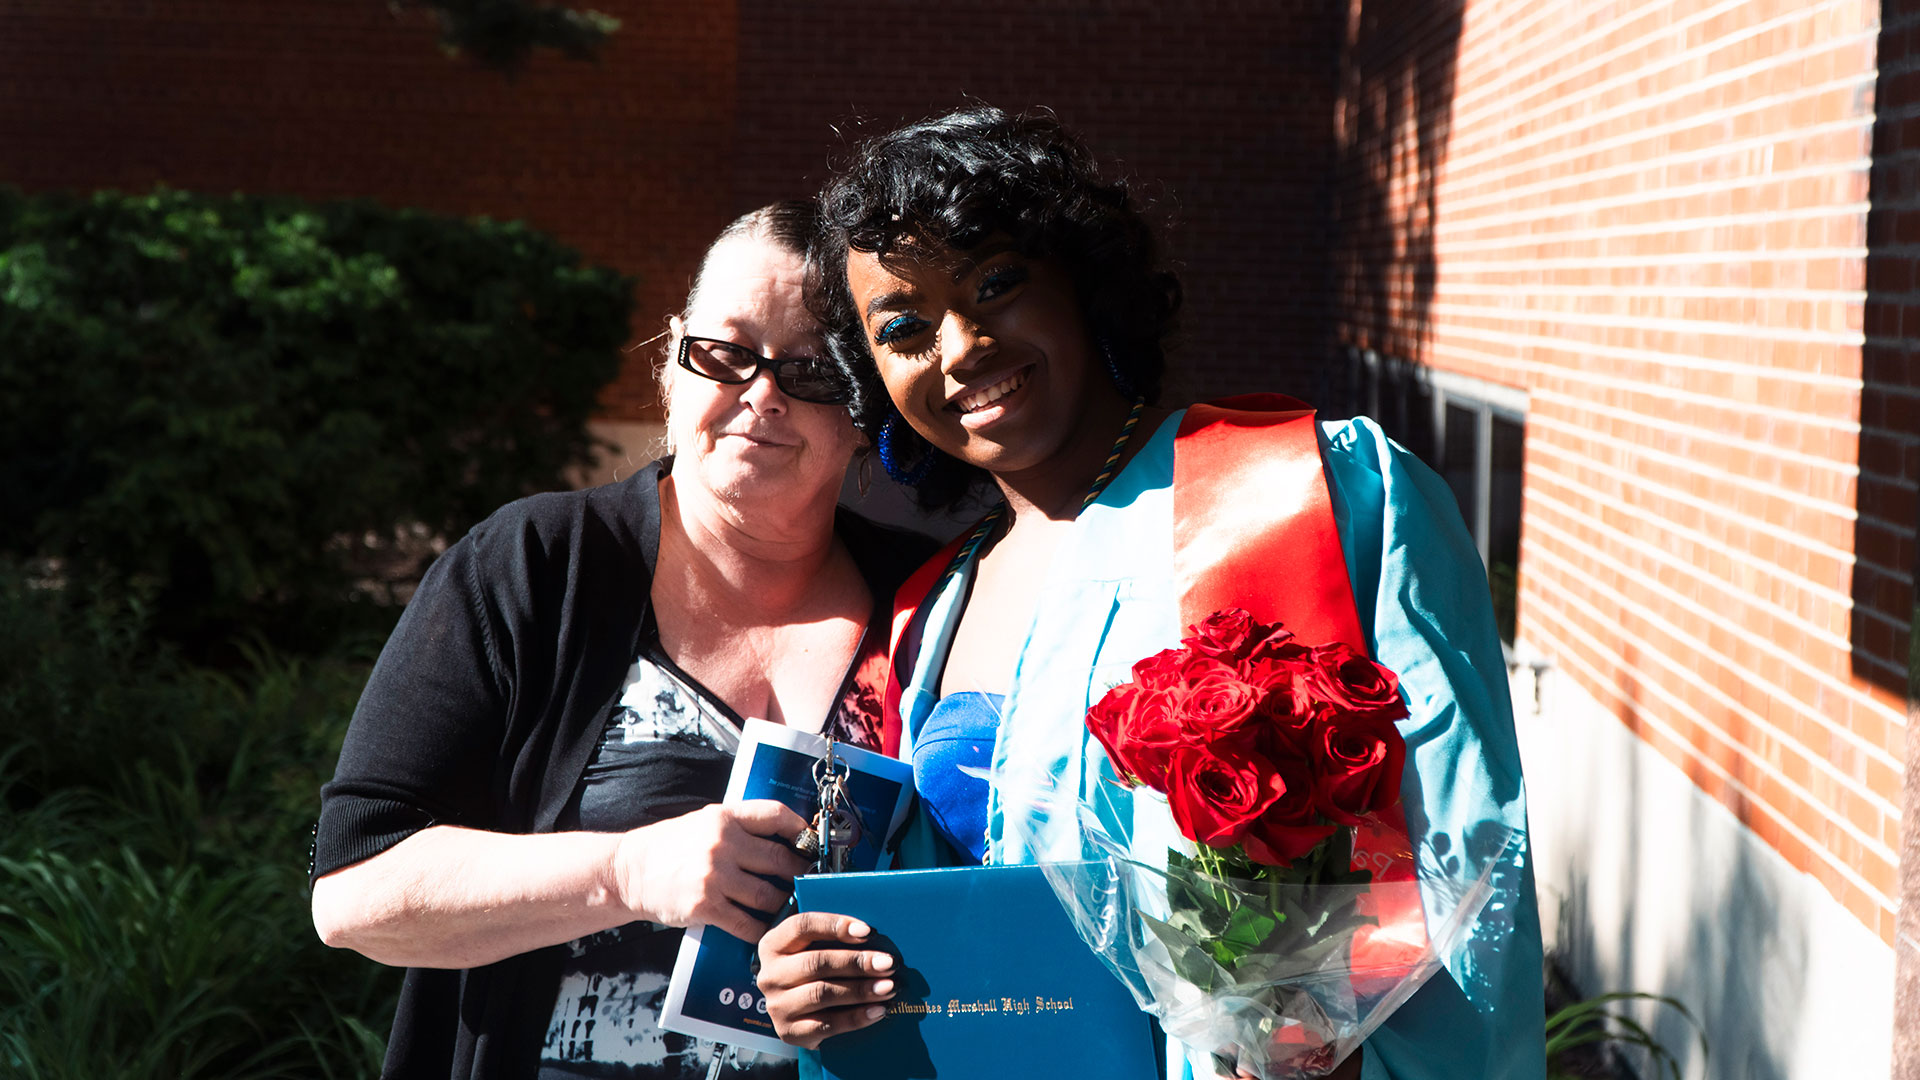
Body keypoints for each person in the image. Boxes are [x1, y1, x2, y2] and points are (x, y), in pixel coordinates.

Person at [753, 108, 1546, 1080]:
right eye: (905, 328)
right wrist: (818, 976)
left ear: (1082, 282)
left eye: (996, 284)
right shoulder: (926, 614)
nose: (959, 348)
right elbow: (924, 941)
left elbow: (1471, 872)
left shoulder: (1318, 494)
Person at [309, 199, 935, 1080]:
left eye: (813, 372)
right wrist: (629, 871)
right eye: (726, 354)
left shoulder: (935, 600)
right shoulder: (536, 564)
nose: (762, 394)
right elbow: (355, 892)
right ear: (674, 361)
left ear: (866, 401)